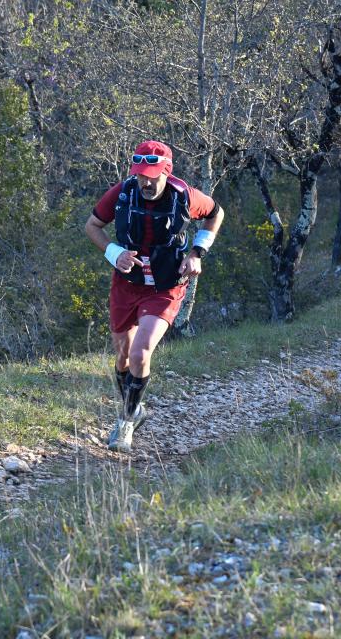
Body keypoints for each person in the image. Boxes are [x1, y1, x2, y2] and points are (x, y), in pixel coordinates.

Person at [85, 140, 224, 453]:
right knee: (122, 355)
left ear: (166, 170)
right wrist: (113, 251)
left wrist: (197, 253)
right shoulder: (122, 192)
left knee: (140, 352)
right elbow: (92, 226)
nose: (144, 181)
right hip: (127, 282)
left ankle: (125, 423)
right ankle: (135, 409)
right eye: (140, 174)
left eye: (151, 174)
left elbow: (216, 213)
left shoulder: (185, 195)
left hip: (165, 285)